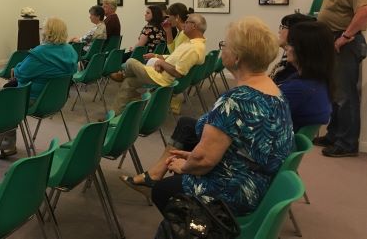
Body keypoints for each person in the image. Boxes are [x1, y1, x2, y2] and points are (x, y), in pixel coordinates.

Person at [121, 17, 293, 216]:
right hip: (259, 181)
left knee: (162, 191)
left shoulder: (235, 100)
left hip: (236, 192)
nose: (222, 49)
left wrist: (184, 165)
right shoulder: (274, 91)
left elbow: (204, 160)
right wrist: (191, 156)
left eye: (225, 45)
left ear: (237, 57)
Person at [314, 0, 367, 157]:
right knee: (335, 92)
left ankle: (346, 144)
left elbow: (363, 12)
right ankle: (334, 134)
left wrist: (345, 37)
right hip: (333, 42)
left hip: (344, 43)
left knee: (345, 95)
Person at [0, 17, 78, 157]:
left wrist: (15, 68)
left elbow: (21, 74)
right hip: (57, 99)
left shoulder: (40, 53)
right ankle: (5, 138)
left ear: (47, 32)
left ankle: (8, 143)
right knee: (9, 87)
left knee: (6, 98)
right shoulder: (70, 51)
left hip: (36, 100)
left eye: (43, 28)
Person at [110, 14, 206, 114]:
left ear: (194, 26)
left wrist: (161, 63)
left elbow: (178, 73)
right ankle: (114, 115)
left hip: (162, 79)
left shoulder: (194, 49)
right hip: (158, 73)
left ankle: (124, 76)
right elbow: (173, 57)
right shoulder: (191, 43)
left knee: (130, 62)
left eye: (186, 22)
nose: (183, 25)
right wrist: (156, 56)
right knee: (128, 82)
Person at [279, 21, 333, 131]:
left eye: (291, 44)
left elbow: (259, 117)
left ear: (304, 50)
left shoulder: (299, 89)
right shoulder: (319, 82)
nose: (287, 48)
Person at [269, 12, 316, 85]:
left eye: (283, 27)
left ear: (295, 32)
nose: (279, 31)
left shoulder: (296, 65)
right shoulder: (288, 60)